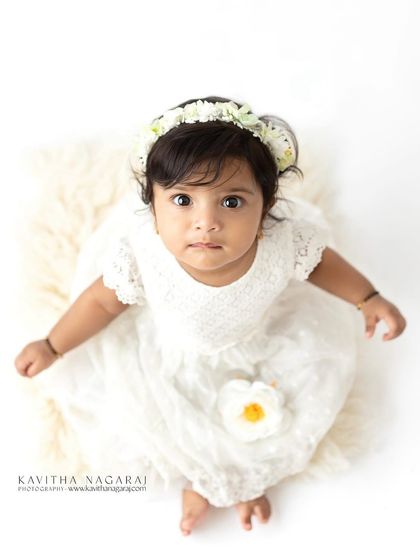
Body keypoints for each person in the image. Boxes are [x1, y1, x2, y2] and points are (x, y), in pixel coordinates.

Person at [14, 96, 407, 536]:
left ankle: (244, 480)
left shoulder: (282, 243)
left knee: (274, 421)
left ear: (266, 205)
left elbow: (321, 264)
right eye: (183, 199)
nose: (206, 222)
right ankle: (198, 485)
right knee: (164, 424)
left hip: (259, 345)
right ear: (153, 206)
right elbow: (101, 303)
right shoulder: (144, 256)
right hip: (170, 357)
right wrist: (51, 345)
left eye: (232, 203)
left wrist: (367, 296)